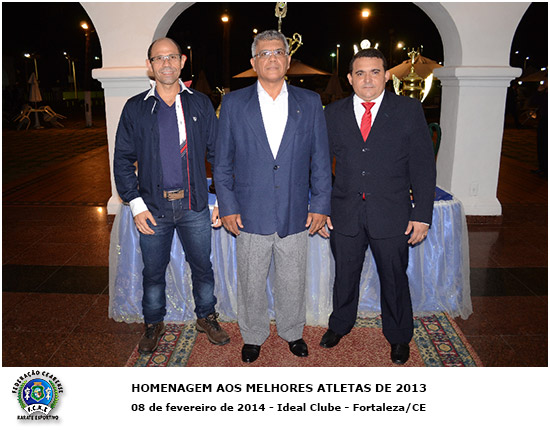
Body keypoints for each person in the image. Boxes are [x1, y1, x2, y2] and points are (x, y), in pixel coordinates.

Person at [214, 30, 332, 363]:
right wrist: (228, 206)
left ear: (288, 60)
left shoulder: (310, 102)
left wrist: (320, 204)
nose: (272, 58)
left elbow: (321, 160)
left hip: (296, 211)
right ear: (253, 63)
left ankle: (292, 331)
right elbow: (222, 164)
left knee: (292, 279)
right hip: (249, 212)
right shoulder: (234, 103)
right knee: (250, 281)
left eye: (278, 52)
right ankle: (253, 335)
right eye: (264, 53)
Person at [320, 48, 436, 365]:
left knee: (394, 278)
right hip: (344, 213)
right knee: (344, 276)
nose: (367, 79)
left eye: (375, 72)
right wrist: (321, 206)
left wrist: (422, 215)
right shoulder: (333, 113)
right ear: (349, 78)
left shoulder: (408, 110)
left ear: (386, 76)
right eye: (360, 73)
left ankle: (398, 336)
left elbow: (423, 167)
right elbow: (319, 166)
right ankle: (339, 325)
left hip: (393, 213)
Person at [114, 37, 229, 354]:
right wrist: (135, 204)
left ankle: (206, 316)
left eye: (172, 57)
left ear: (182, 61)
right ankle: (153, 323)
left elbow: (219, 155)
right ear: (149, 65)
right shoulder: (135, 108)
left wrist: (221, 200)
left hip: (195, 206)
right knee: (153, 273)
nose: (166, 63)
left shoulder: (200, 103)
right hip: (153, 208)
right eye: (159, 58)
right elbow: (122, 159)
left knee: (202, 268)